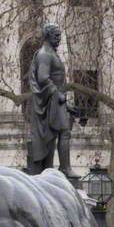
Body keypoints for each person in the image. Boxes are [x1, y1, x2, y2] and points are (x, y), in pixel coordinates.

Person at [26, 23, 80, 177]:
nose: (59, 39)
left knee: (61, 133)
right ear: (47, 36)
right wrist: (58, 95)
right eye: (56, 36)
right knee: (64, 131)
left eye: (59, 36)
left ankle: (60, 167)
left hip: (56, 100)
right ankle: (65, 168)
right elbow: (43, 78)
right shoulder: (45, 54)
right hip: (51, 100)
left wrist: (66, 105)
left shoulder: (51, 53)